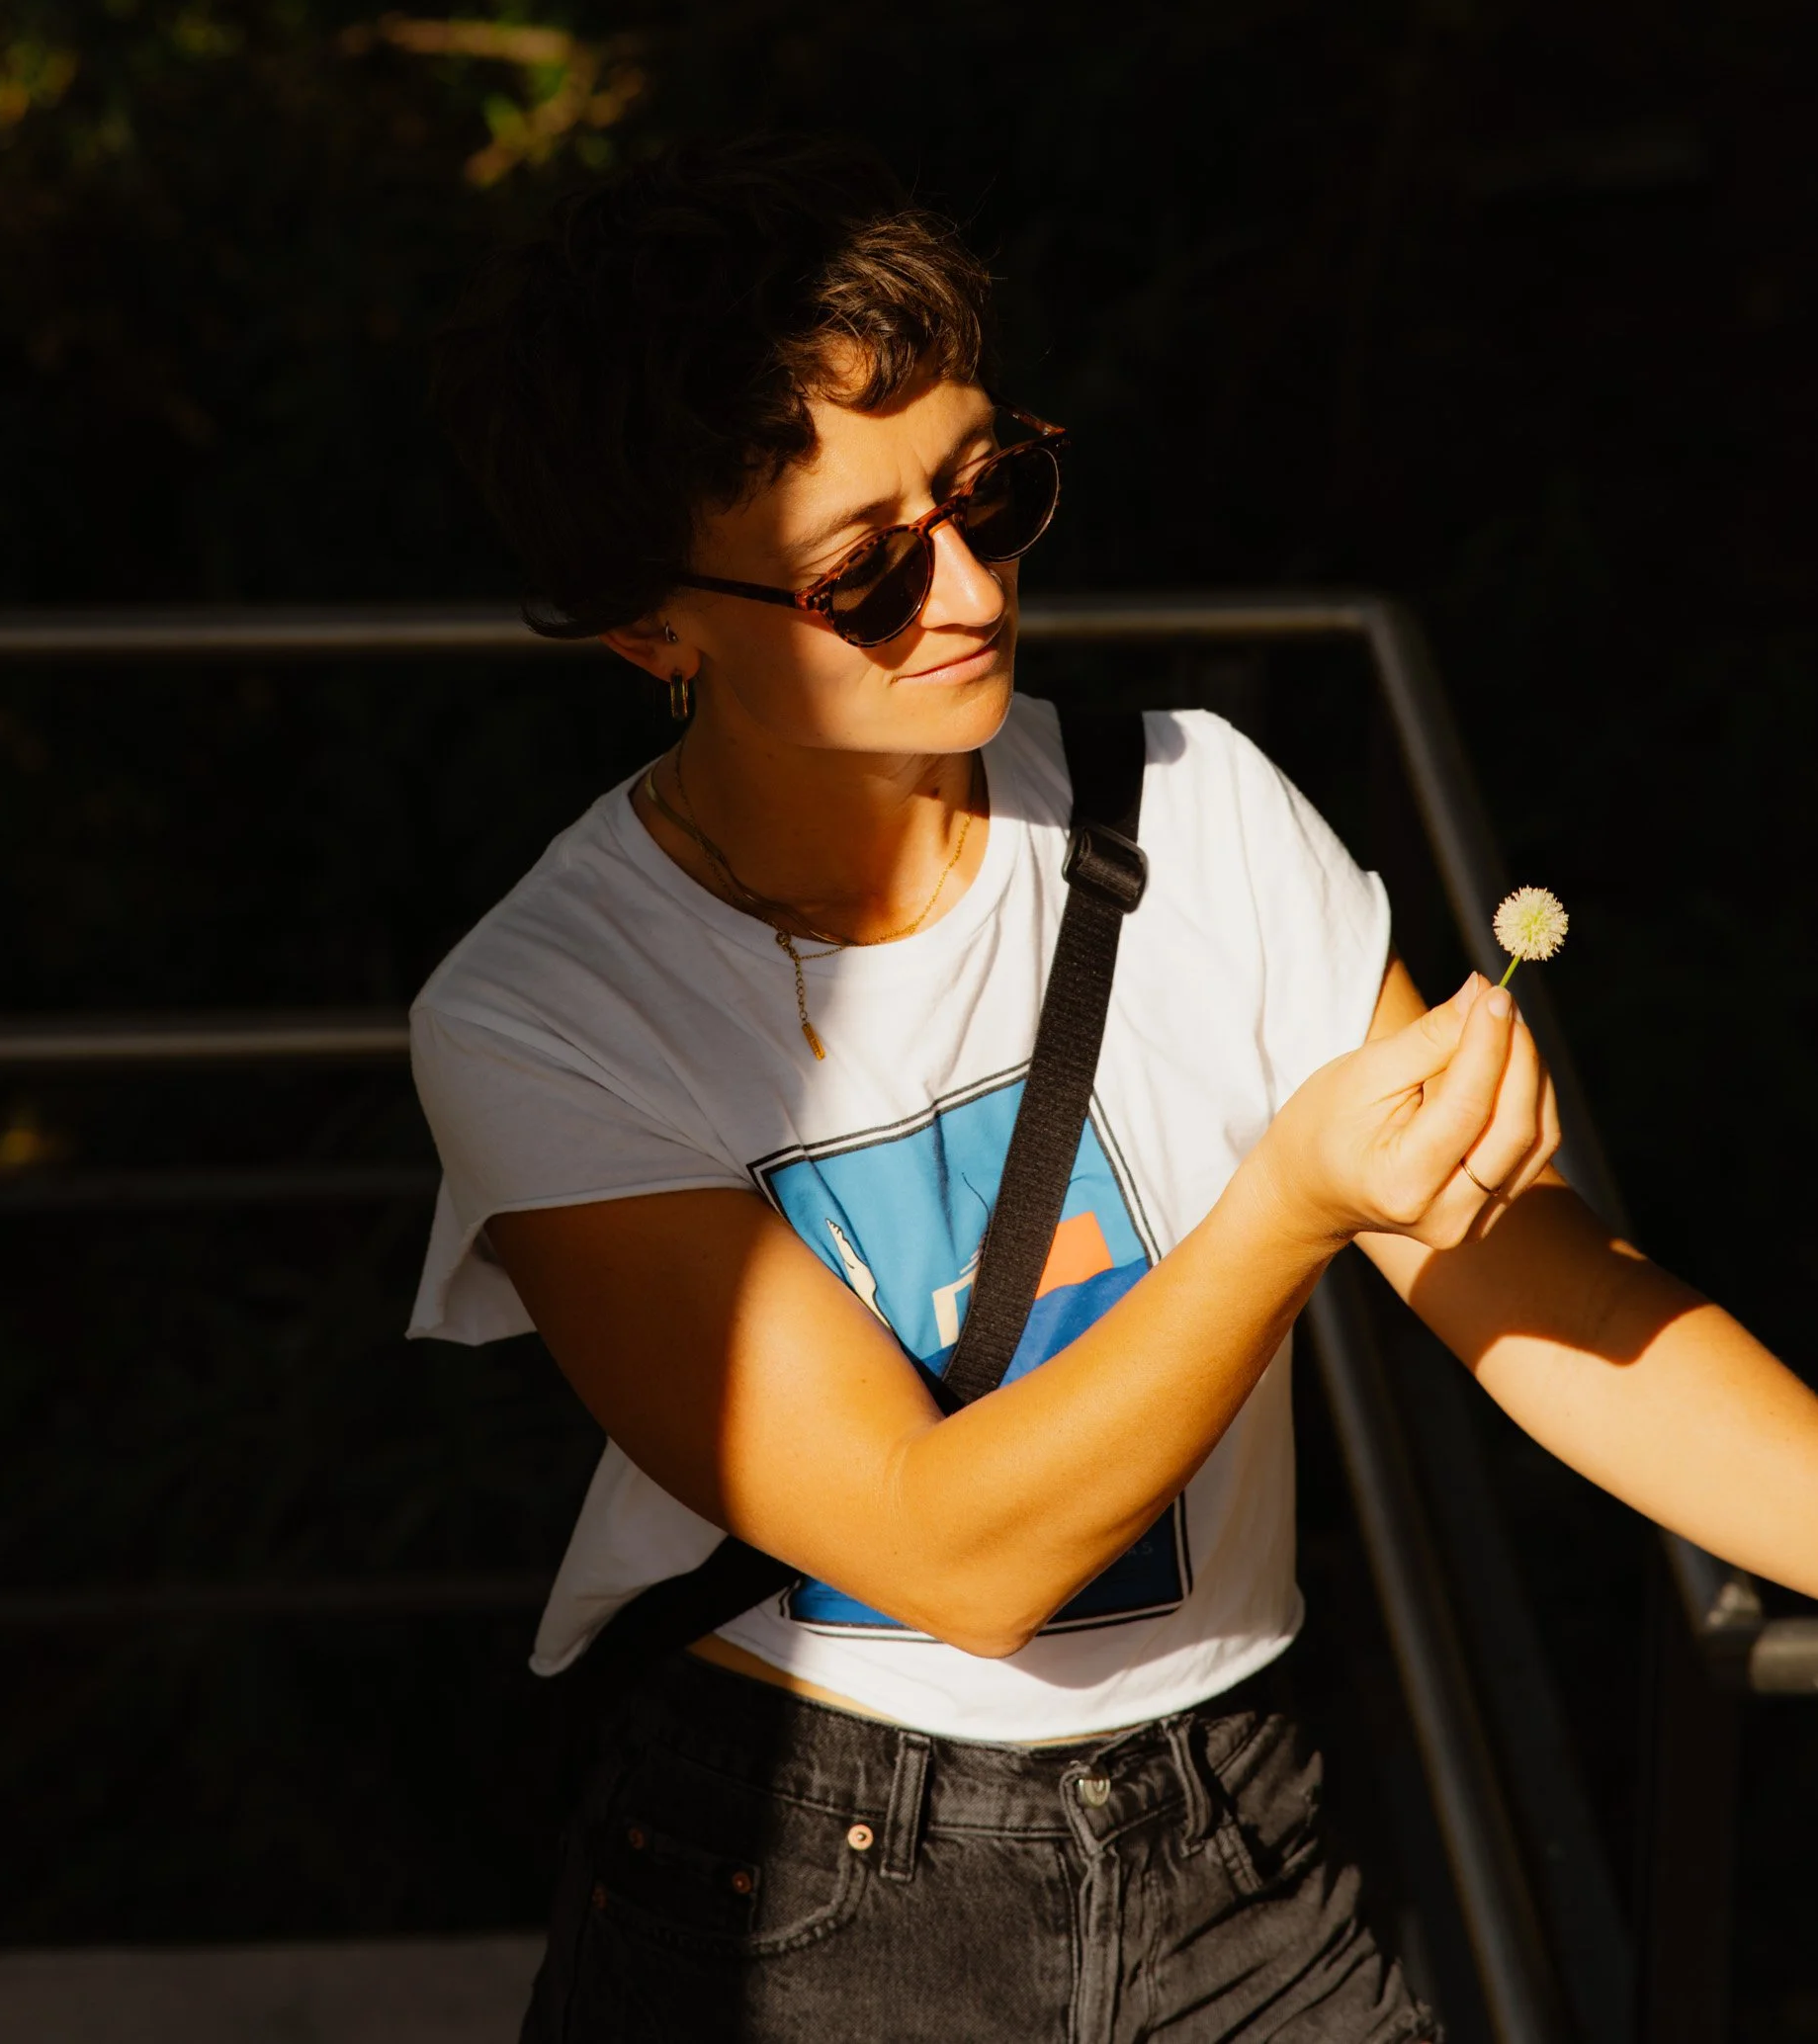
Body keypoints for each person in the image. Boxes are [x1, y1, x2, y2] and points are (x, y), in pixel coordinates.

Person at [408, 135, 1818, 2044]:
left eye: (993, 493)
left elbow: (1534, 1287)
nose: (974, 590)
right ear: (651, 630)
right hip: (799, 1887)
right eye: (869, 574)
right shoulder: (543, 1011)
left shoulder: (1201, 808)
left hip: (1242, 1836)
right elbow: (946, 1554)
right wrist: (1288, 1208)